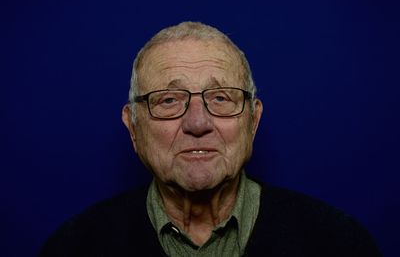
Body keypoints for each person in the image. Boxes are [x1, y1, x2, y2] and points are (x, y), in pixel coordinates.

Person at [39, 21, 381, 256]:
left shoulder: (339, 243)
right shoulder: (72, 247)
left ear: (253, 120)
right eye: (168, 100)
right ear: (133, 126)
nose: (198, 122)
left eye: (221, 98)